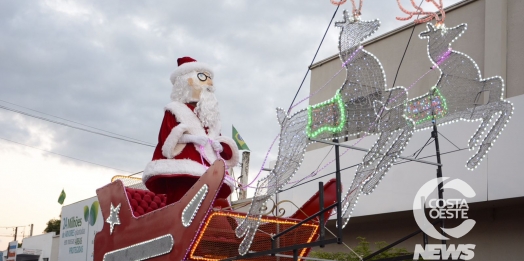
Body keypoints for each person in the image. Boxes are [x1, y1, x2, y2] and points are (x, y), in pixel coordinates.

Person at [143, 57, 239, 204]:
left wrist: (220, 146)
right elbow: (167, 139)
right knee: (183, 203)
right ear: (187, 81)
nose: (210, 82)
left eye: (210, 78)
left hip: (210, 172)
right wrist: (190, 138)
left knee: (215, 206)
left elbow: (217, 138)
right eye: (203, 77)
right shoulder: (175, 110)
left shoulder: (209, 114)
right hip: (183, 173)